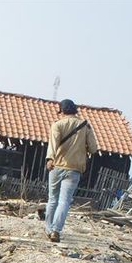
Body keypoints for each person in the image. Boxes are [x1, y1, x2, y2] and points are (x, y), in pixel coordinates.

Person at [44, 99, 98, 242]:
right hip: (74, 169)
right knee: (64, 201)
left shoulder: (57, 125)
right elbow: (93, 149)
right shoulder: (85, 126)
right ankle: (56, 230)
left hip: (56, 166)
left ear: (61, 111)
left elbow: (53, 145)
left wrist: (49, 159)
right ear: (75, 110)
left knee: (52, 199)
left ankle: (49, 229)